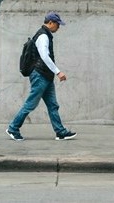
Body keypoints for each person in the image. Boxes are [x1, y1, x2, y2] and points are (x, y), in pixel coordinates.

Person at [6, 11, 77, 141]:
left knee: (53, 105)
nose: (58, 27)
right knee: (30, 104)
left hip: (46, 76)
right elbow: (44, 56)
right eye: (57, 24)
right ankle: (13, 128)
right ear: (50, 22)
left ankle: (60, 132)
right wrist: (58, 72)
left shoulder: (46, 35)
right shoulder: (43, 36)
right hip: (40, 75)